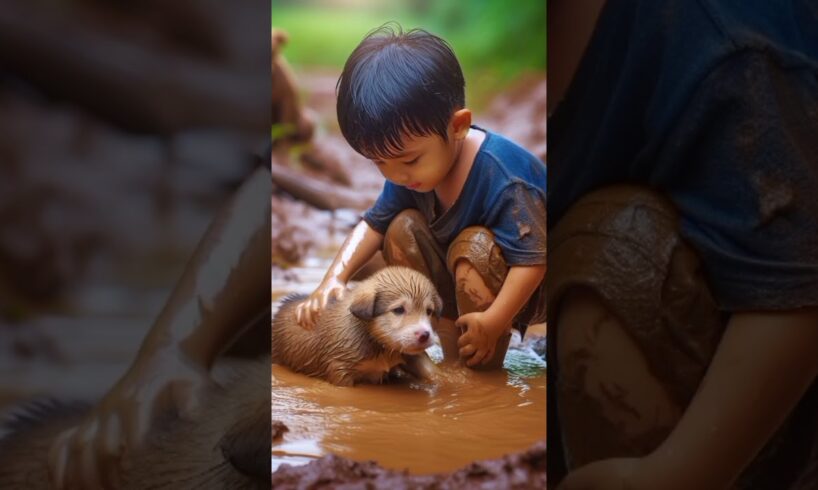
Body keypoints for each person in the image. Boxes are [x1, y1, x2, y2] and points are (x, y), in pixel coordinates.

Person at [547, 0, 818, 488]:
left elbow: (800, 272)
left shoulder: (722, 37)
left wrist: (682, 470)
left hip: (769, 405)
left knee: (616, 260)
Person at [294, 24, 546, 369]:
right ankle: (451, 353)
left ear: (458, 126)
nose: (396, 174)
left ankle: (483, 366)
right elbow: (372, 225)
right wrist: (332, 279)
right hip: (465, 277)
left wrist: (496, 321)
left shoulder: (504, 178)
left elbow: (534, 261)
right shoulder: (410, 174)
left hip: (528, 288)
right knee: (402, 229)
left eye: (410, 159)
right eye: (380, 161)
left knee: (474, 245)